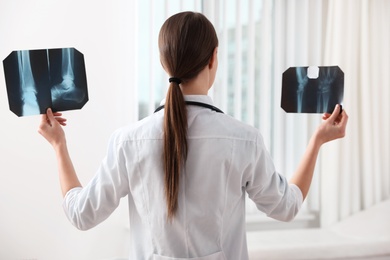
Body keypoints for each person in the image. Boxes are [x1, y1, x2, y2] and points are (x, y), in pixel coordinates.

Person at [38, 11, 348, 260]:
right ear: (214, 58)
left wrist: (58, 145)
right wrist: (317, 140)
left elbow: (82, 214)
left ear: (163, 62)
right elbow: (287, 207)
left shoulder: (127, 142)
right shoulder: (244, 140)